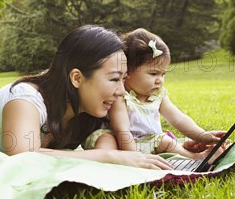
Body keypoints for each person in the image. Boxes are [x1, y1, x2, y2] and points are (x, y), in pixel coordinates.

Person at [0, 3, 174, 169]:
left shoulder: (89, 105)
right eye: (114, 80)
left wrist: (185, 148)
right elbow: (22, 155)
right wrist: (110, 157)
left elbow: (133, 136)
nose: (122, 91)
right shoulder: (26, 100)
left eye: (122, 81)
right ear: (76, 78)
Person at [85, 28, 226, 159]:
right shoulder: (121, 97)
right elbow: (122, 130)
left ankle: (194, 158)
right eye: (153, 73)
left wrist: (201, 135)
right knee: (106, 140)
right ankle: (102, 161)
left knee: (166, 141)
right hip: (122, 142)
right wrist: (135, 158)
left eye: (163, 74)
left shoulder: (158, 96)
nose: (160, 80)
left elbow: (178, 118)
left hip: (149, 142)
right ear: (128, 71)